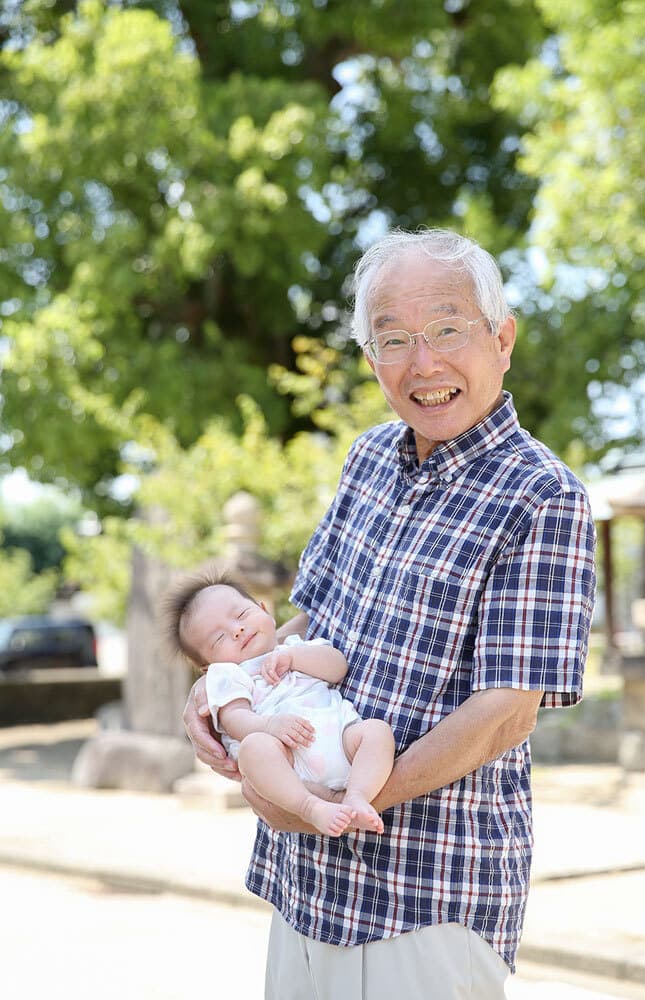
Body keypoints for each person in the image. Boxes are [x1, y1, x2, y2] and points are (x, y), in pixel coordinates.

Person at [182, 228, 596, 999]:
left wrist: (343, 803)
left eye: (447, 329)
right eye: (394, 339)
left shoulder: (546, 496)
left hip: (426, 893)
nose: (424, 362)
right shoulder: (368, 458)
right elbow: (307, 627)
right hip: (304, 877)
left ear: (501, 339)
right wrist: (227, 686)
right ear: (372, 362)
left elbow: (506, 713)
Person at [164, 571, 395, 836]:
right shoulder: (229, 675)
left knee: (376, 731)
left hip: (341, 742)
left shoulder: (297, 647)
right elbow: (234, 718)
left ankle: (357, 796)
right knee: (254, 747)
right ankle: (311, 807)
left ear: (265, 611)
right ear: (207, 667)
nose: (237, 630)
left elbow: (338, 667)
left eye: (241, 615)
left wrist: (294, 658)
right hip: (288, 764)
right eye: (219, 639)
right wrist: (269, 725)